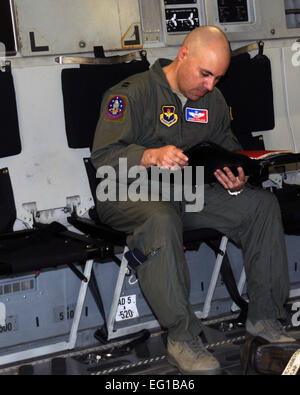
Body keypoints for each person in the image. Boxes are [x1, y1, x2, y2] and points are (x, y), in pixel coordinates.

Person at [91, 26, 295, 375]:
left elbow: (227, 148)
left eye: (217, 77)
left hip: (186, 192)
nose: (211, 85)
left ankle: (265, 320)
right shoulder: (131, 94)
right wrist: (151, 155)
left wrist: (236, 174)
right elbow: (103, 158)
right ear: (183, 54)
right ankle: (182, 338)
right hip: (126, 191)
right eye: (205, 74)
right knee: (160, 218)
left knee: (260, 205)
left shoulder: (212, 100)